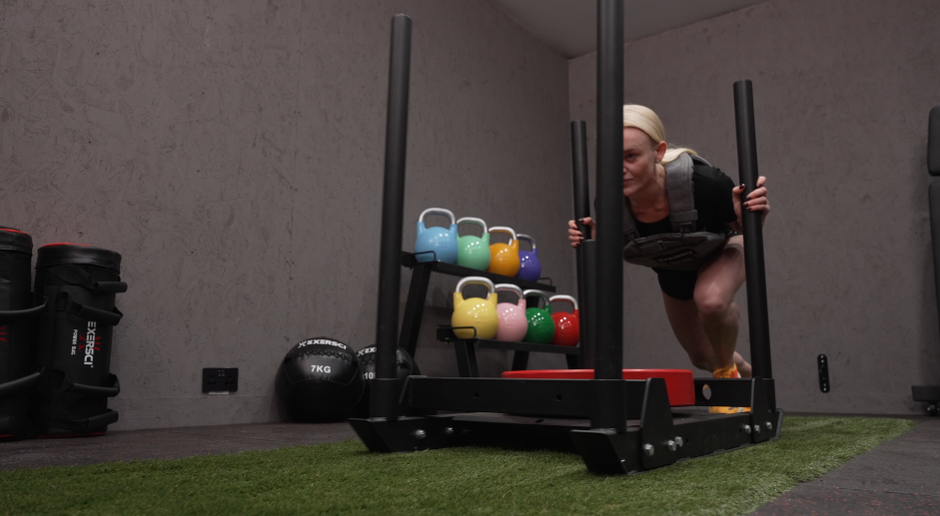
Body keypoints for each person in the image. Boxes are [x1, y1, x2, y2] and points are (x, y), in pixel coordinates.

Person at [567, 104, 770, 413]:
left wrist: (756, 213)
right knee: (702, 356)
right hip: (673, 268)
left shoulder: (704, 184)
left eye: (631, 156)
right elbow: (621, 243)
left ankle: (727, 378)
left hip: (722, 249)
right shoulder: (610, 203)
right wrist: (594, 238)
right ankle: (740, 369)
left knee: (711, 300)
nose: (620, 168)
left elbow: (745, 227)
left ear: (658, 152)